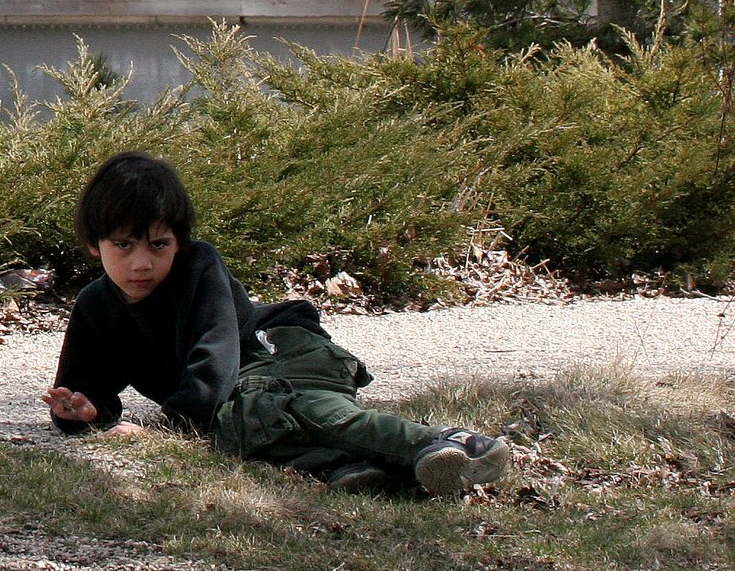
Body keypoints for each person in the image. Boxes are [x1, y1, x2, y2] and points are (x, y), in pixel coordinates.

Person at [43, 151, 514, 496]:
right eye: (124, 246)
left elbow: (216, 357)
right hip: (236, 390)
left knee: (262, 410)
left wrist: (168, 428)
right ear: (94, 244)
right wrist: (85, 410)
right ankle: (355, 468)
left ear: (179, 243)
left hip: (282, 351)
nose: (142, 262)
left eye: (159, 245)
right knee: (235, 425)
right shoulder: (94, 306)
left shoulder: (199, 267)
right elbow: (85, 390)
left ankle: (447, 442)